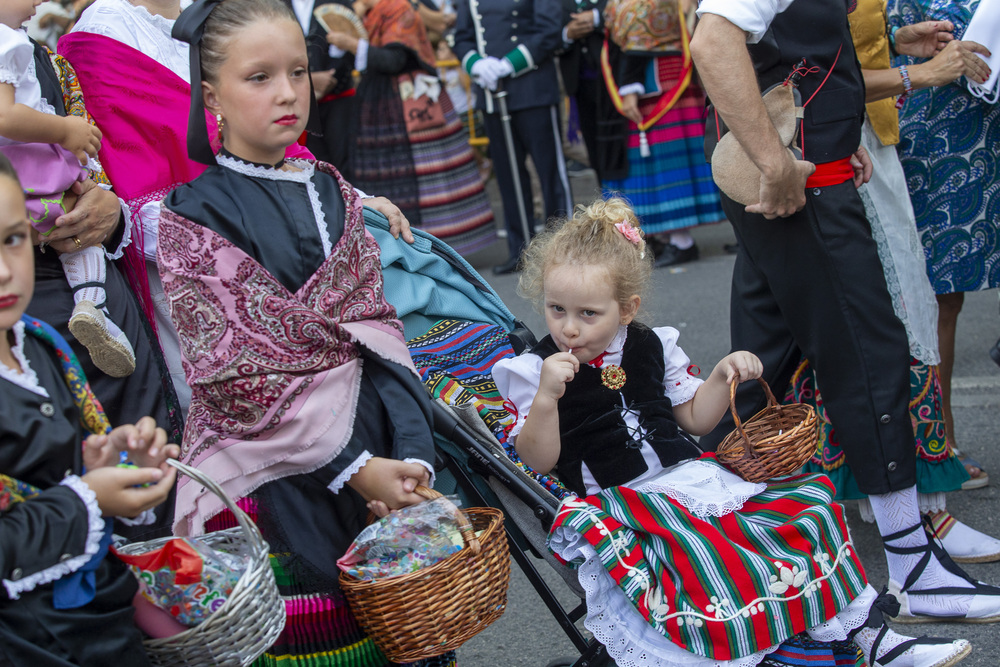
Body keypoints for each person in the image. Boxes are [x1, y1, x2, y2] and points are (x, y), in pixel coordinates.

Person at [492, 196, 971, 667]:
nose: (569, 329)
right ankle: (775, 651)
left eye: (587, 314)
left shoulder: (651, 347)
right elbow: (538, 459)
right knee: (714, 547)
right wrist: (546, 400)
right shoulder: (534, 370)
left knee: (807, 510)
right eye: (556, 310)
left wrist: (722, 376)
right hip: (621, 501)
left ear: (627, 308)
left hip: (690, 480)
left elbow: (696, 420)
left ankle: (870, 637)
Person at [691, 0, 1000, 623]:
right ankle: (913, 565)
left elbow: (793, 50)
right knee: (867, 355)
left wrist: (836, 126)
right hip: (795, 180)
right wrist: (777, 163)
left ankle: (694, 537)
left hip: (803, 167)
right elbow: (713, 44)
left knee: (761, 364)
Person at [160, 1, 449, 664]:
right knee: (328, 639)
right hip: (280, 470)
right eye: (258, 77)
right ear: (213, 97)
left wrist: (410, 454)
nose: (289, 92)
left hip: (376, 439)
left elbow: (377, 330)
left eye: (298, 70)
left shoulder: (334, 192)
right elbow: (234, 371)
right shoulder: (192, 214)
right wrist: (354, 467)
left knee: (409, 629)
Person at [786, 0, 1000, 563]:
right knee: (893, 323)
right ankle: (921, 523)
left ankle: (909, 518)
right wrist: (919, 74)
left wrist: (899, 41)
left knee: (887, 321)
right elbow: (802, 70)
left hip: (848, 140)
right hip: (829, 146)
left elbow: (830, 51)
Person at [0, 152, 178, 666]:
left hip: (102, 627)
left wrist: (120, 469)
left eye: (13, 239)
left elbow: (64, 473)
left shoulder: (38, 345)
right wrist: (87, 499)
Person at [887, 0, 1000, 494]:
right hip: (940, 130)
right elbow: (868, 39)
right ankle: (941, 443)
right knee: (939, 295)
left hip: (987, 129)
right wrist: (909, 43)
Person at [0, 12, 136, 378]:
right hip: (28, 295)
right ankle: (91, 303)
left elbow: (95, 185)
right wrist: (63, 130)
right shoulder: (7, 43)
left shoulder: (45, 59)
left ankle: (93, 305)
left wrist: (107, 207)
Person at [326, 0, 497, 255]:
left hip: (411, 104)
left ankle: (440, 249)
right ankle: (398, 247)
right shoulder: (369, 13)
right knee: (388, 178)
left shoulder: (399, 8)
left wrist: (352, 43)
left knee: (429, 177)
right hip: (378, 107)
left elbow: (394, 59)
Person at [599, 0, 722, 267]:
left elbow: (641, 27)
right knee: (651, 159)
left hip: (660, 76)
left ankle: (681, 240)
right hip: (652, 72)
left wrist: (630, 83)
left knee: (664, 157)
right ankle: (668, 236)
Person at [453, 0, 572, 274]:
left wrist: (510, 64)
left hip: (533, 89)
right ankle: (521, 249)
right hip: (492, 93)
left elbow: (550, 29)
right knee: (508, 177)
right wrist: (477, 64)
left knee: (550, 172)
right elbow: (462, 37)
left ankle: (563, 248)